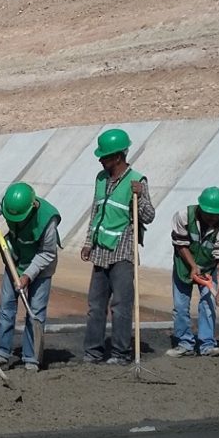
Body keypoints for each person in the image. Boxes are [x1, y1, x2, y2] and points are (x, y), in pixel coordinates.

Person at [81, 128, 155, 365]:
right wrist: (88, 242)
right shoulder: (100, 179)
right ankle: (93, 351)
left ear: (118, 156)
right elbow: (96, 211)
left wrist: (140, 195)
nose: (101, 160)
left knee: (121, 306)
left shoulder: (137, 181)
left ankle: (120, 354)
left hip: (123, 251)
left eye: (104, 156)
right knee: (95, 306)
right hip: (101, 249)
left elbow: (149, 215)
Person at [0, 182, 61, 372]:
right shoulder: (13, 199)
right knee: (6, 306)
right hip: (15, 259)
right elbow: (1, 201)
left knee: (35, 311)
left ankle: (32, 357)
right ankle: (2, 352)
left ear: (32, 207)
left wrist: (27, 276)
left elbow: (47, 253)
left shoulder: (48, 220)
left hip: (41, 266)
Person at [166, 186, 219, 357]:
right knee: (180, 307)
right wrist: (192, 266)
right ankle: (185, 344)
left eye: (215, 214)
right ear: (200, 208)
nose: (212, 218)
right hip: (183, 266)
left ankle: (207, 344)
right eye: (208, 214)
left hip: (209, 269)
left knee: (208, 304)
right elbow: (180, 244)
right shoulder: (183, 216)